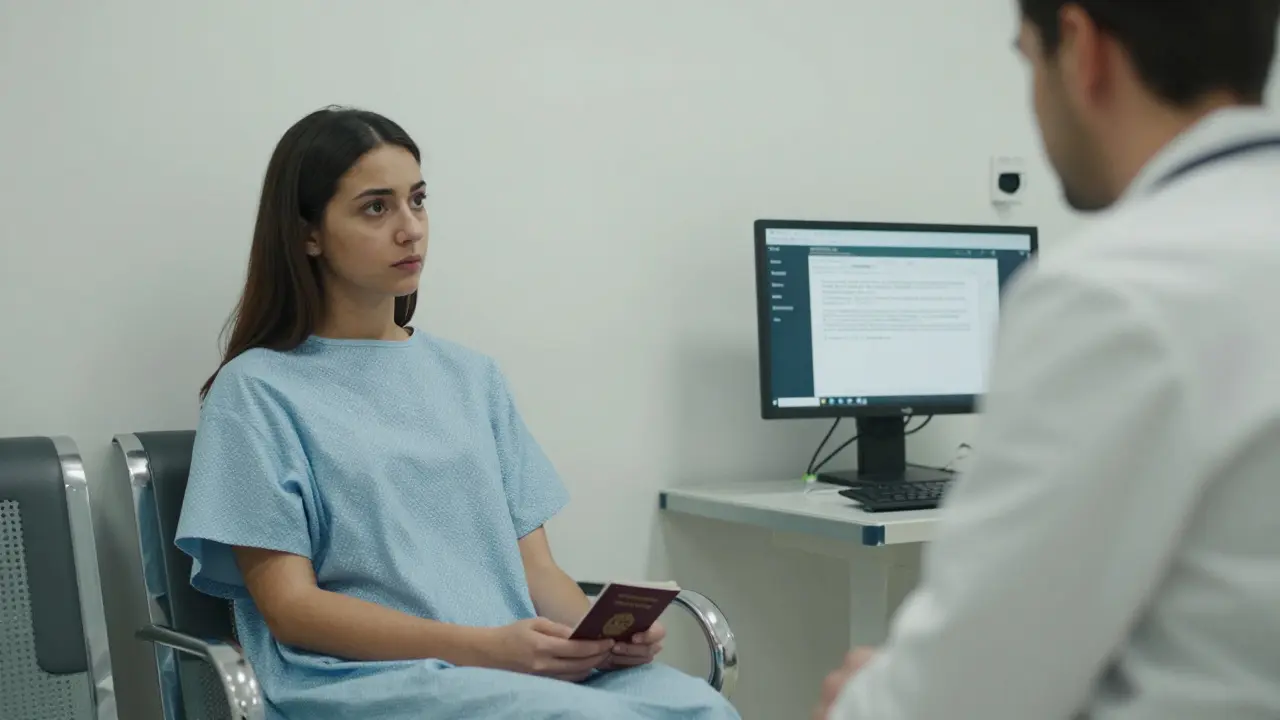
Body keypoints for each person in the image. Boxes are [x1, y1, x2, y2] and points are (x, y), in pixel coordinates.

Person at [175, 106, 739, 720]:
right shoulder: (256, 391)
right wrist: (484, 649)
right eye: (375, 207)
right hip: (362, 678)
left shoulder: (472, 377)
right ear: (307, 233)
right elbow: (291, 610)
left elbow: (539, 574)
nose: (410, 228)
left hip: (510, 664)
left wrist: (600, 634)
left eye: (417, 201)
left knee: (699, 709)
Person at [816, 1, 1280, 718]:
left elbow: (968, 695)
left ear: (1079, 47)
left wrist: (868, 701)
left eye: (1028, 62)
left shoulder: (1117, 291)